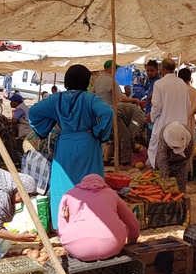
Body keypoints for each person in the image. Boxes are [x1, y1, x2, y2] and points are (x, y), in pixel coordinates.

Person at [29, 64, 114, 229]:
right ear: (86, 81)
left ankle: (63, 223)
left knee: (64, 184)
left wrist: (50, 125)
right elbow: (108, 113)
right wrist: (97, 131)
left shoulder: (55, 99)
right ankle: (90, 220)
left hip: (65, 145)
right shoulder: (90, 98)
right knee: (90, 183)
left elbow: (34, 112)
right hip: (87, 143)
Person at [56, 174, 140, 261]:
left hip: (77, 249)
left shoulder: (69, 195)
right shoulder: (111, 193)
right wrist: (131, 243)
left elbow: (60, 228)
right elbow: (133, 224)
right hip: (112, 246)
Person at [94, 60, 146, 165]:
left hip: (100, 113)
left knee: (112, 138)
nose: (116, 71)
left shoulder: (98, 80)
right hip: (111, 111)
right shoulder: (111, 81)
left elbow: (93, 94)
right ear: (111, 69)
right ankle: (125, 162)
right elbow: (120, 98)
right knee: (125, 135)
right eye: (116, 69)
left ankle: (112, 159)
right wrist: (134, 100)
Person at [147, 59, 192, 168]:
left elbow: (157, 106)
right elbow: (188, 105)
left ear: (162, 69)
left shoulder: (159, 84)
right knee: (177, 158)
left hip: (164, 126)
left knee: (161, 157)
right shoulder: (182, 84)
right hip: (180, 127)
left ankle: (161, 178)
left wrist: (151, 117)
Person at [156, 121, 194, 193]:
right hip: (166, 158)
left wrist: (179, 166)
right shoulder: (164, 136)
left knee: (181, 179)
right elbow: (162, 159)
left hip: (181, 161)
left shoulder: (189, 138)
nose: (175, 147)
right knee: (162, 183)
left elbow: (187, 156)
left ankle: (180, 199)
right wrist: (166, 178)